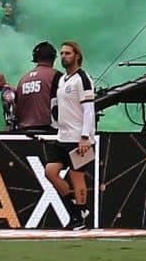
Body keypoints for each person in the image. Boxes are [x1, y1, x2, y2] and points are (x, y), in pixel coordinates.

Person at [48, 41, 96, 229]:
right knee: (50, 172)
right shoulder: (62, 79)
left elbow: (89, 109)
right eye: (61, 53)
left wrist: (85, 137)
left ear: (77, 55)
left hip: (78, 138)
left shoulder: (83, 79)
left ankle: (80, 218)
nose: (63, 56)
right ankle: (76, 210)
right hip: (63, 136)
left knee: (77, 177)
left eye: (67, 53)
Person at [12, 42, 60, 136]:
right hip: (48, 133)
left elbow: (15, 108)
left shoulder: (23, 79)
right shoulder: (57, 76)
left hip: (23, 134)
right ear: (53, 58)